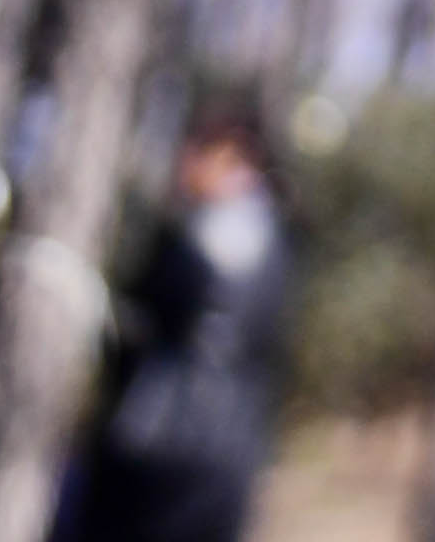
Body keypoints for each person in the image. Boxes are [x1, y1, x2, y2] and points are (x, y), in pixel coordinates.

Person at [67, 103, 289, 542]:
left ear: (230, 158)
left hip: (156, 447)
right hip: (230, 459)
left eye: (197, 152)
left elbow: (141, 333)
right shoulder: (278, 245)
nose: (186, 165)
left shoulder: (194, 239)